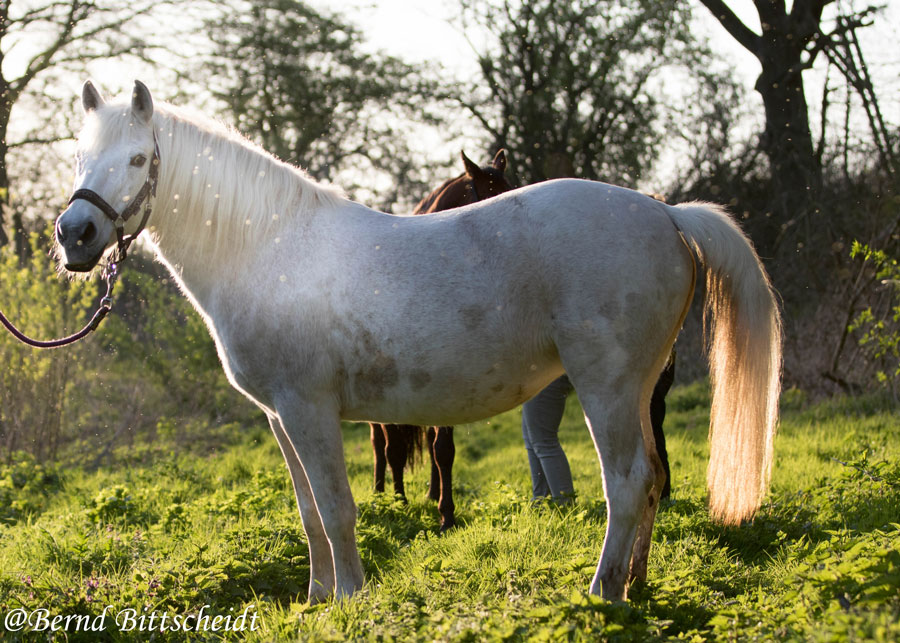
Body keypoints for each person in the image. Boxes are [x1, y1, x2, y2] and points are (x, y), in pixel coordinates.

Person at [521, 375, 575, 504]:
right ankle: (540, 501)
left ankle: (565, 505)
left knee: (543, 441)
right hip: (536, 372)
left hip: (546, 373)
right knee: (532, 439)